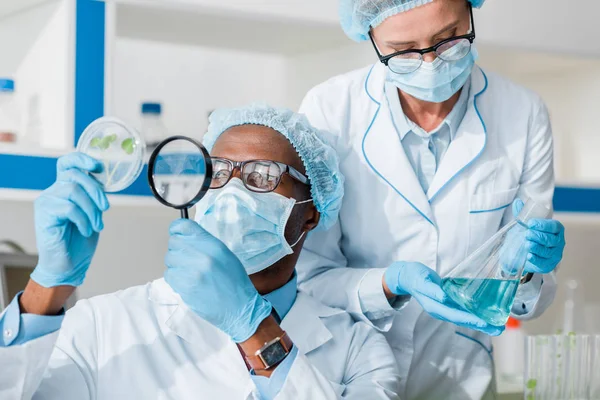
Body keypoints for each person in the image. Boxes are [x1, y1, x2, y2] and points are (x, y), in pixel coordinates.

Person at [0, 104, 401, 399]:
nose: (232, 191)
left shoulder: (357, 349)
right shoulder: (104, 326)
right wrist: (47, 287)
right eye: (218, 172)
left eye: (262, 175)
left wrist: (254, 329)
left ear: (311, 212)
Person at [296, 0, 566, 399]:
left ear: (471, 14)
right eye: (404, 50)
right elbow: (306, 278)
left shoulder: (522, 113)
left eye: (449, 38)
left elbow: (530, 302)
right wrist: (388, 284)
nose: (431, 63)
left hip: (460, 379)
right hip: (346, 374)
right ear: (371, 38)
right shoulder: (330, 111)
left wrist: (523, 274)